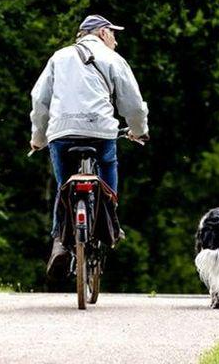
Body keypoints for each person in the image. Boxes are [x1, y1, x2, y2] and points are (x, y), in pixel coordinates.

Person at [29, 14, 149, 277]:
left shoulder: (58, 58)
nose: (115, 41)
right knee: (107, 170)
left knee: (63, 186)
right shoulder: (113, 59)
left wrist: (38, 139)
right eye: (113, 34)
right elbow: (133, 104)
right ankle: (111, 222)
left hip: (62, 133)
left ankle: (59, 243)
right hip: (100, 132)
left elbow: (40, 101)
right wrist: (139, 131)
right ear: (103, 33)